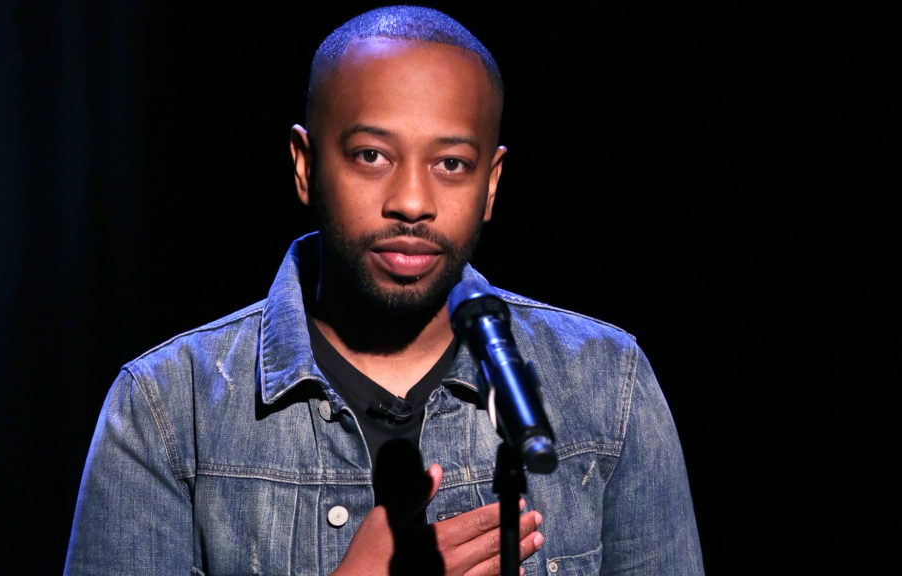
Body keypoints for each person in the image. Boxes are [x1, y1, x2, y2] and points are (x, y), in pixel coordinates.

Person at [64, 6, 704, 575]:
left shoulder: (606, 384)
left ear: (491, 183)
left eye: (450, 164)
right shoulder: (168, 410)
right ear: (306, 167)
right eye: (372, 155)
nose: (412, 202)